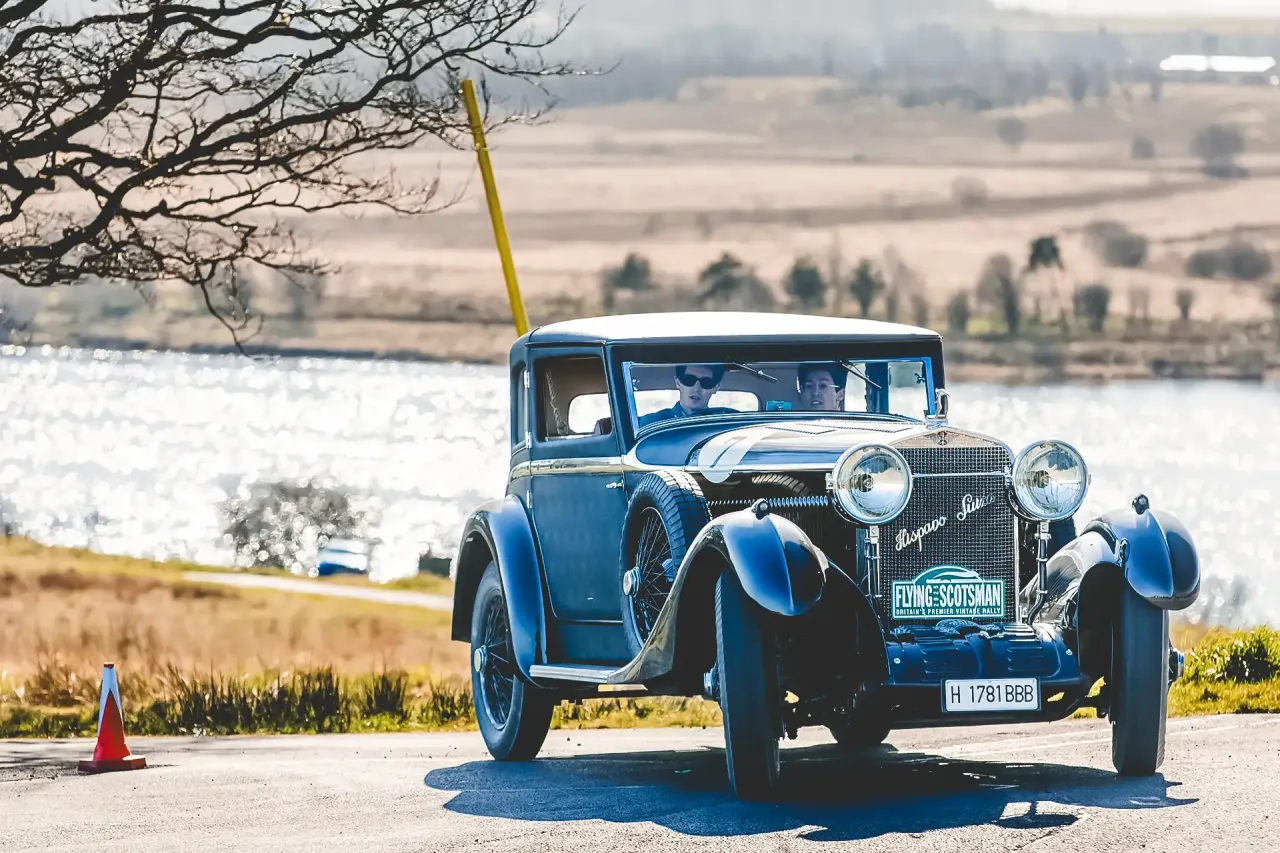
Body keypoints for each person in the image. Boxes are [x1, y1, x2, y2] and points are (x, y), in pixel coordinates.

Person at [638, 364, 737, 427]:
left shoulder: (725, 424)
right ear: (678, 383)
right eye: (689, 380)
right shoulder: (649, 424)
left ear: (716, 387)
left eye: (706, 382)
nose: (696, 388)